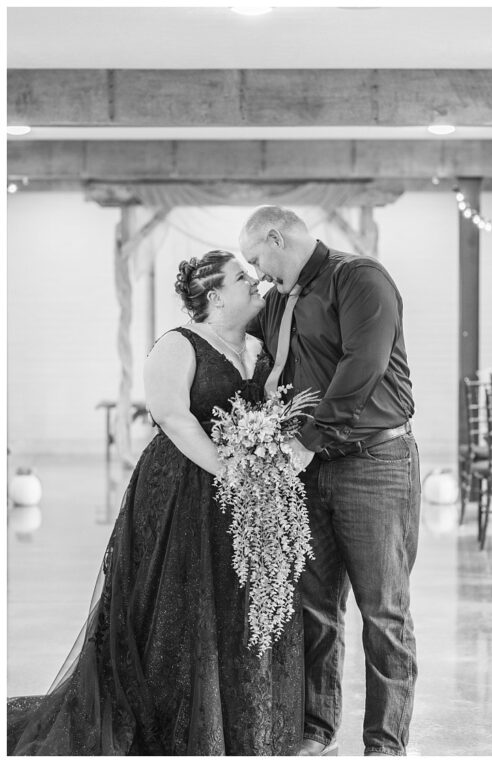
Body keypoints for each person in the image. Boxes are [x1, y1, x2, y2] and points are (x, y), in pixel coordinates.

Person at [7, 251, 304, 755]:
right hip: (182, 491)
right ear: (215, 296)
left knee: (236, 604)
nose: (254, 283)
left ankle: (237, 720)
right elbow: (173, 416)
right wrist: (231, 470)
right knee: (181, 603)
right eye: (242, 277)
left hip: (245, 498)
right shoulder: (179, 344)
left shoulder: (259, 348)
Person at [239, 206, 420, 757]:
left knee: (383, 612)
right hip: (307, 468)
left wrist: (304, 441)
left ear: (277, 236)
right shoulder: (275, 302)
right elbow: (254, 355)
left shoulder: (359, 278)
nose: (258, 273)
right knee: (314, 607)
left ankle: (385, 744)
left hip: (374, 464)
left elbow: (360, 368)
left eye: (257, 259)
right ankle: (316, 730)